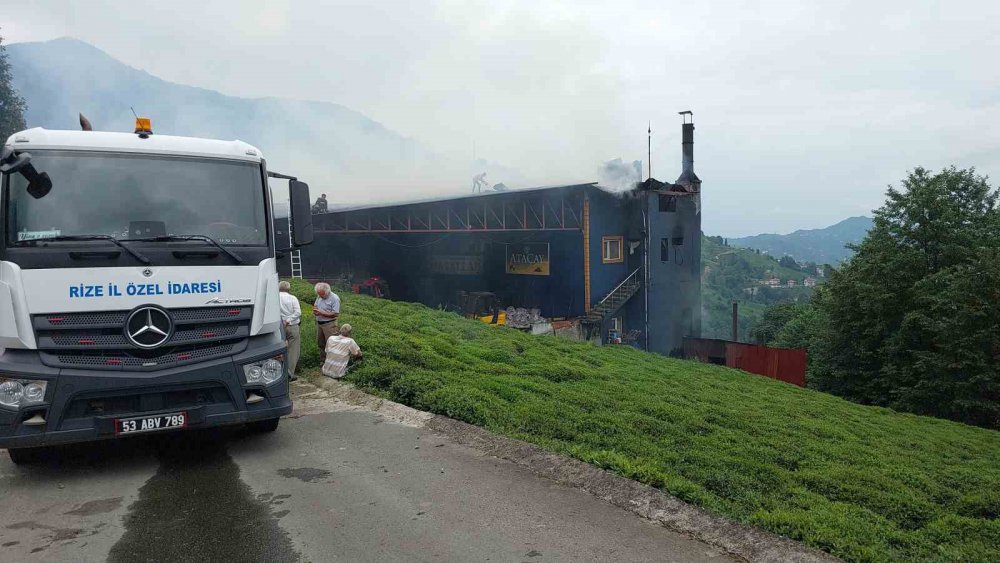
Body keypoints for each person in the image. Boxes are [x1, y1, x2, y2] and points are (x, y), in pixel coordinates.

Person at [277, 281, 301, 381]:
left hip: (277, 327)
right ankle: (289, 374)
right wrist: (288, 320)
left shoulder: (274, 297)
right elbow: (298, 312)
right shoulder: (292, 298)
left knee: (278, 350)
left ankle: (278, 372)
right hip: (292, 326)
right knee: (293, 351)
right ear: (288, 288)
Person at [313, 282, 340, 364]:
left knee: (332, 344)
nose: (320, 296)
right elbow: (315, 305)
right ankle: (323, 361)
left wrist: (321, 313)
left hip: (330, 324)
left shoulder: (335, 298)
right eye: (319, 294)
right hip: (319, 324)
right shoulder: (319, 296)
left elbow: (335, 314)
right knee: (321, 343)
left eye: (322, 294)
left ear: (327, 291)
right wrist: (315, 310)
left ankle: (333, 362)